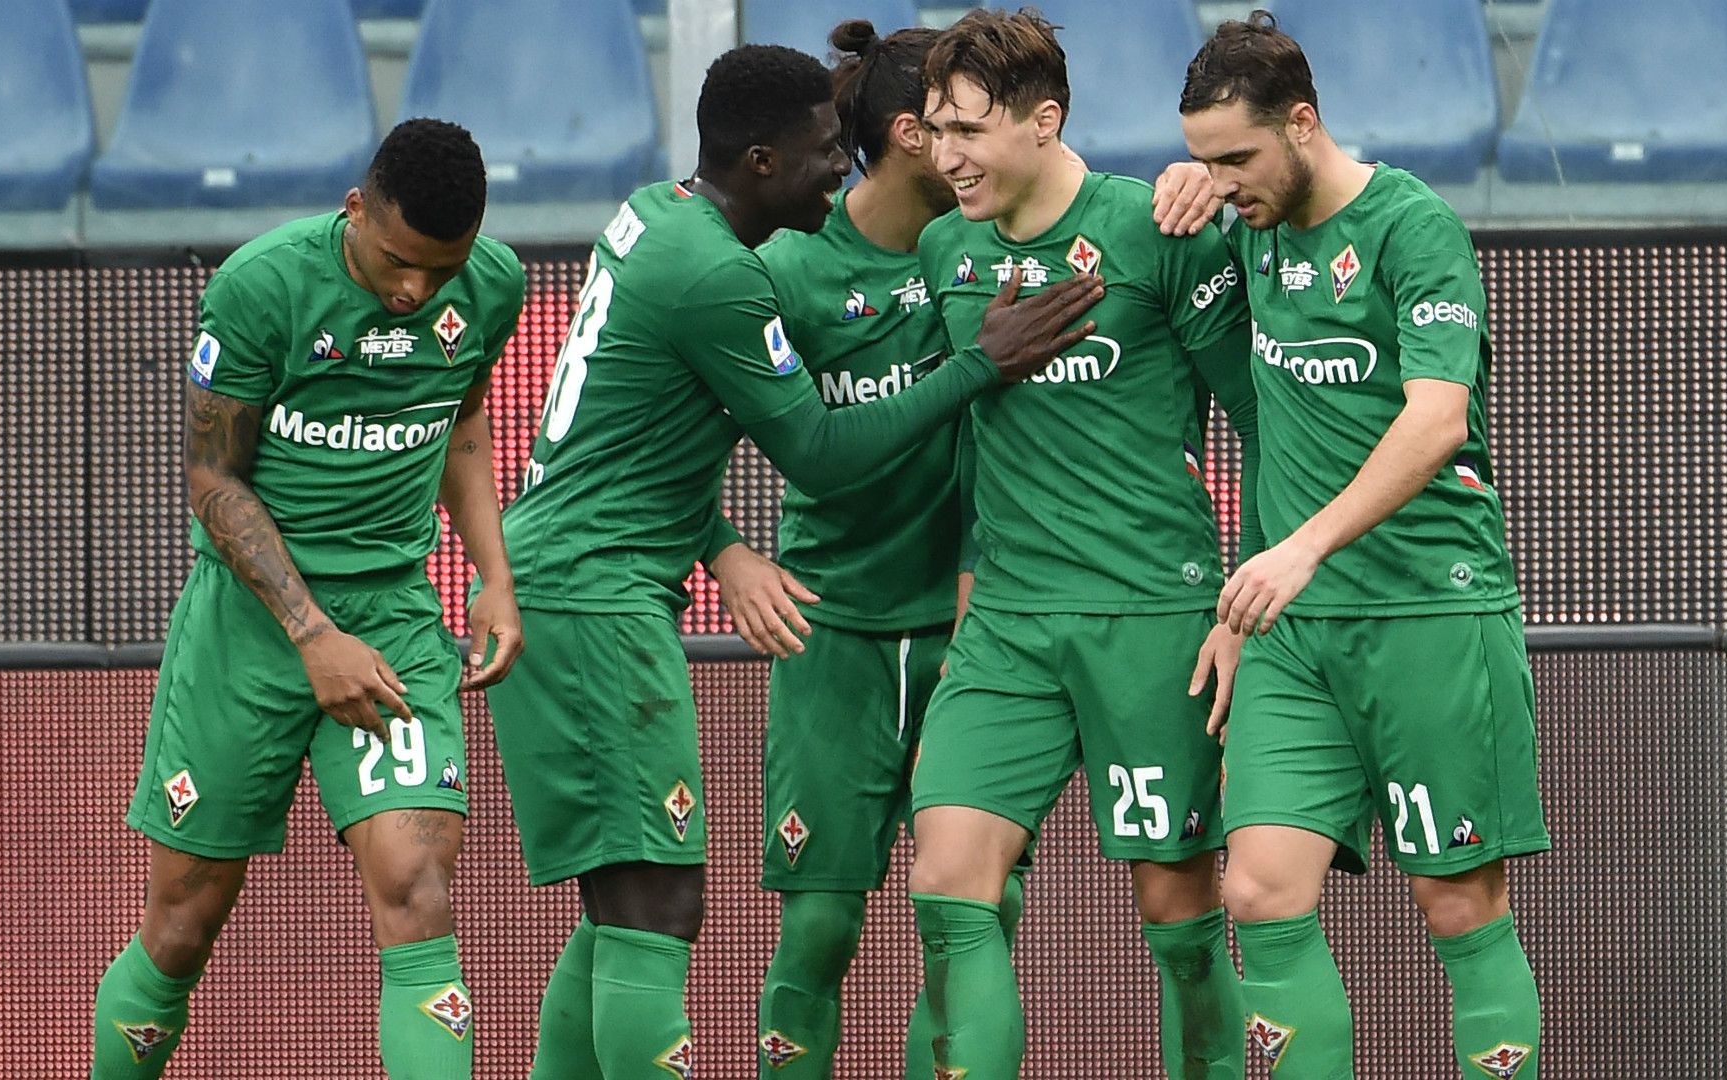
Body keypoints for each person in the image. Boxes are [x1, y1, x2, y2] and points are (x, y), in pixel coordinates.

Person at [482, 43, 1104, 1079]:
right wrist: (977, 366)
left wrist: (713, 543)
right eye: (823, 150)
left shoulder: (656, 214)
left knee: (623, 907)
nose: (838, 165)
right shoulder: (732, 277)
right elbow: (813, 448)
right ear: (763, 161)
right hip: (603, 594)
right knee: (660, 904)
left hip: (594, 576)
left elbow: (642, 425)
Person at [88, 118, 526, 1079]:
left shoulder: (495, 284)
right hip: (249, 628)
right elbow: (213, 479)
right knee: (182, 925)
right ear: (355, 208)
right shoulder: (260, 286)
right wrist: (311, 633)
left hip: (395, 619)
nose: (417, 292)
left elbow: (461, 419)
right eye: (399, 261)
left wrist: (493, 575)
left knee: (419, 894)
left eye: (443, 270)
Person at [1179, 12, 1549, 1079]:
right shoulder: (1252, 228)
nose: (1224, 185)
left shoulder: (1412, 226)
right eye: (1207, 161)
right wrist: (1249, 601)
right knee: (1258, 891)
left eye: (1237, 159)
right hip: (1293, 635)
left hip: (1430, 609)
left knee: (1457, 902)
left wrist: (1302, 549)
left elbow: (1436, 422)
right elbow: (1270, 429)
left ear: (1303, 123)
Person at [904, 9, 1262, 1078]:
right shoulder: (943, 248)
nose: (948, 155)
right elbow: (969, 441)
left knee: (1176, 911)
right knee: (947, 885)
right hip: (1008, 626)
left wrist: (1247, 606)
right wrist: (969, 586)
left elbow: (1261, 419)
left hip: (1152, 618)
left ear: (1044, 120)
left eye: (969, 129)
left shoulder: (1160, 226)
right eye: (936, 129)